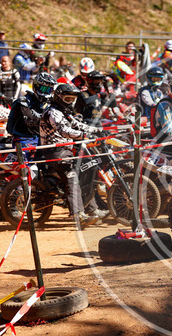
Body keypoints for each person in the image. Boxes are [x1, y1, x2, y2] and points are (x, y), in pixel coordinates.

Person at [39, 83, 109, 228]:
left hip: (66, 150)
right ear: (59, 97)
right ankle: (78, 215)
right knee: (72, 178)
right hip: (55, 151)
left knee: (86, 172)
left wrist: (97, 131)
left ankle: (92, 209)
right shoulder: (52, 112)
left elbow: (78, 125)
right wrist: (85, 136)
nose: (70, 102)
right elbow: (64, 130)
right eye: (67, 99)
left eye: (72, 99)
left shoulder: (64, 111)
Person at [7, 72, 56, 164]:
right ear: (36, 87)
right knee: (29, 166)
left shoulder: (49, 104)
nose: (46, 92)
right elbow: (30, 121)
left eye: (49, 89)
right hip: (24, 138)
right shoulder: (23, 102)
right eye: (44, 88)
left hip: (42, 139)